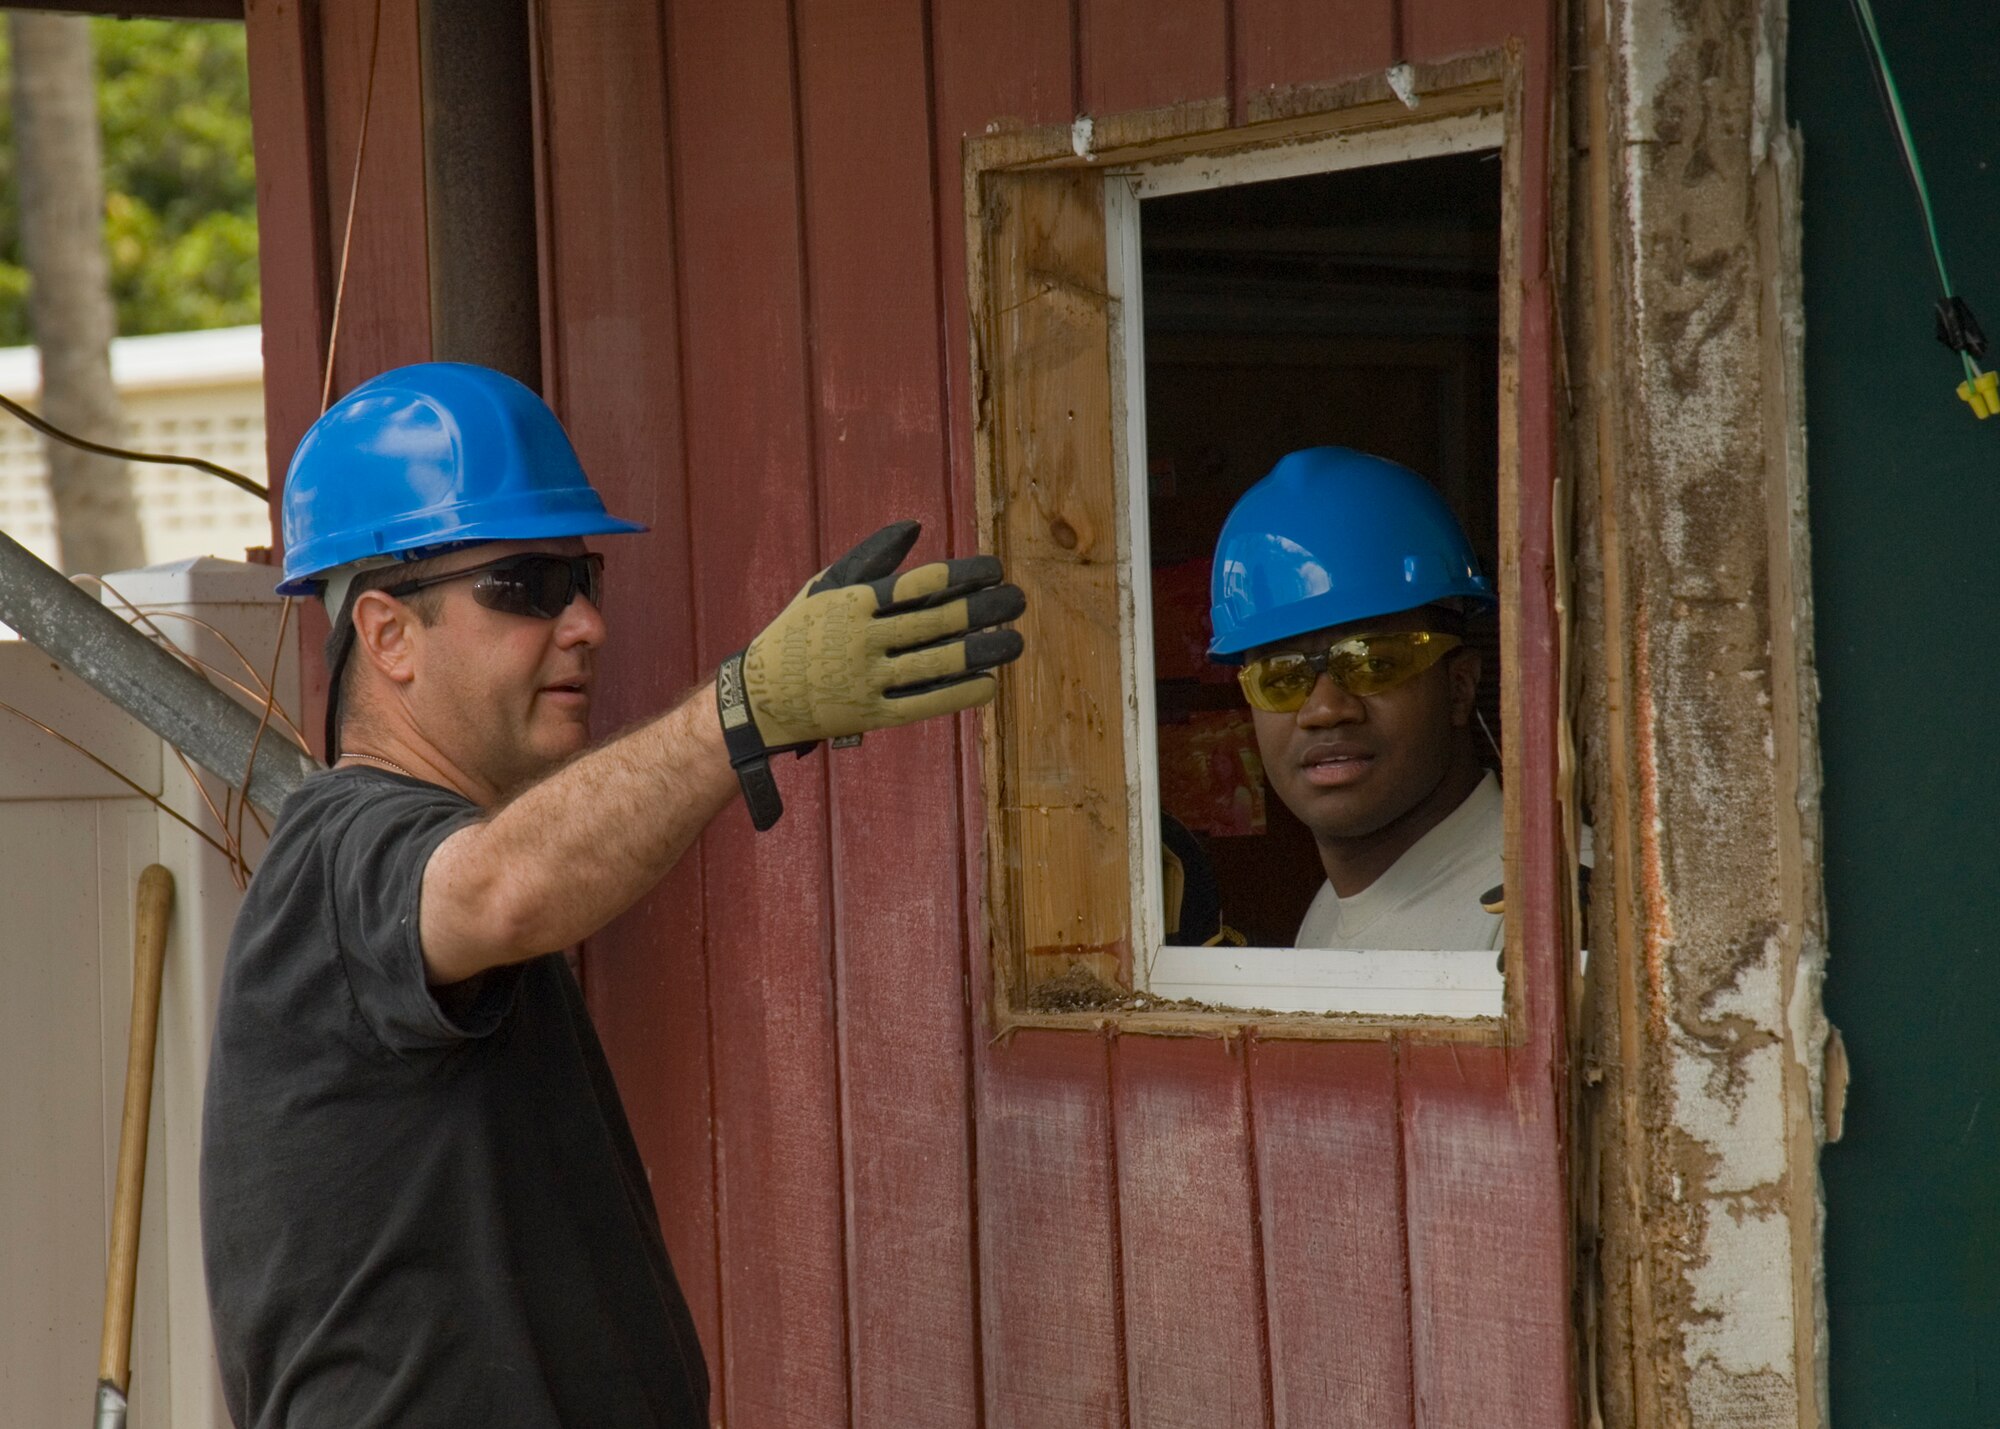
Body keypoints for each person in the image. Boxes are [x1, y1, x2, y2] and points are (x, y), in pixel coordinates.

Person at [199, 362, 1024, 1429]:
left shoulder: (412, 854)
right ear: (387, 635)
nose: (584, 621)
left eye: (583, 577)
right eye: (524, 587)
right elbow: (498, 889)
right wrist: (745, 708)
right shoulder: (339, 848)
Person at [1208, 446, 1501, 951]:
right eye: (1281, 676)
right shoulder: (1330, 913)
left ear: (1459, 687)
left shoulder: (1537, 920)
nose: (1324, 709)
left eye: (1373, 662)